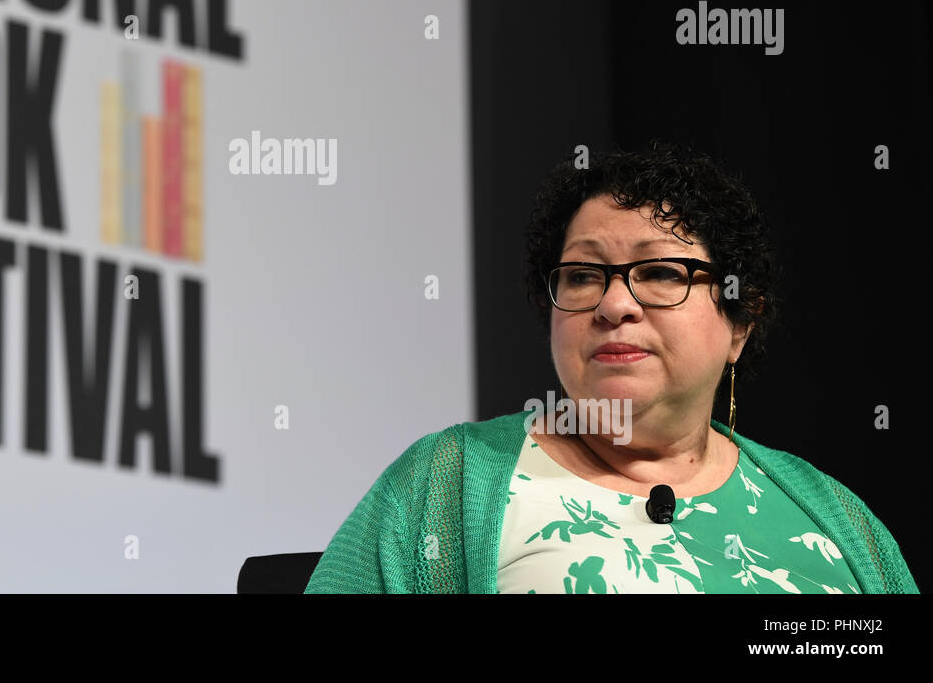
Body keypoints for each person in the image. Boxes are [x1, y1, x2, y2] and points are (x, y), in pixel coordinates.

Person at [305, 140, 919, 593]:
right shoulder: (446, 482)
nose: (614, 304)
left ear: (739, 322)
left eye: (658, 273)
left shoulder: (837, 519)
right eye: (582, 276)